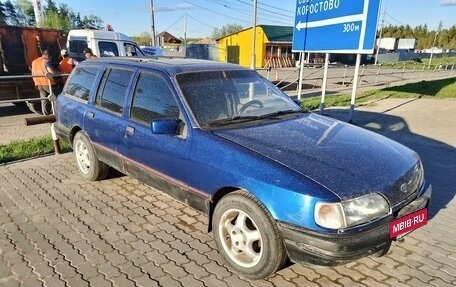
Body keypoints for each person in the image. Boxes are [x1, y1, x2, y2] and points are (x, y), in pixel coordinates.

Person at [31, 49, 58, 115]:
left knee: (44, 100)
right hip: (47, 83)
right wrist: (56, 72)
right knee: (56, 98)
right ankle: (54, 113)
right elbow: (51, 73)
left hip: (38, 83)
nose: (51, 59)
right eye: (51, 57)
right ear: (48, 56)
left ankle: (45, 115)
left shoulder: (34, 62)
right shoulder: (46, 61)